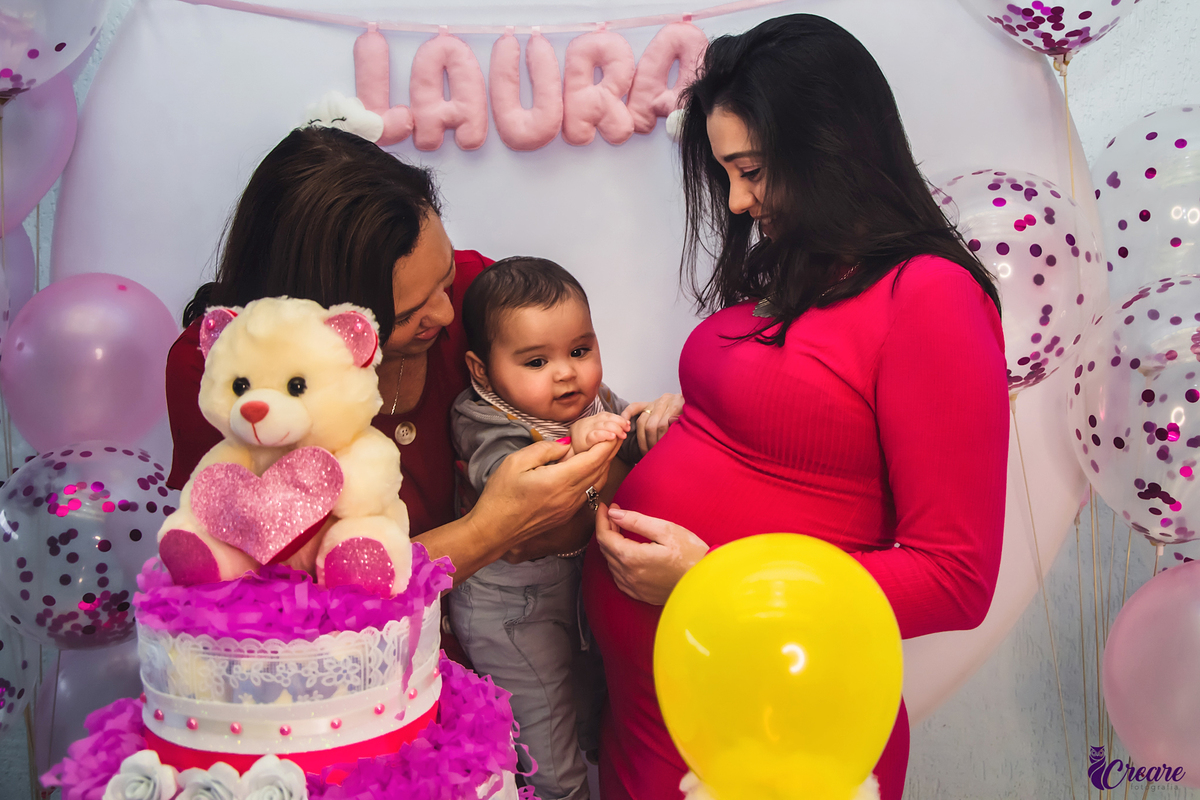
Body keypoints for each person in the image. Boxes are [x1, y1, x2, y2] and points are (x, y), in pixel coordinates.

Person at [581, 14, 1009, 800]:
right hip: (652, 720)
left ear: (832, 148)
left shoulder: (930, 296)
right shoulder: (800, 268)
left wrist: (716, 582)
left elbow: (956, 578)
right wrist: (665, 434)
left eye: (751, 171)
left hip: (775, 730)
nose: (739, 203)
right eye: (727, 174)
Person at [164, 125, 629, 584]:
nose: (447, 313)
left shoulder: (486, 303)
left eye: (444, 275)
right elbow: (277, 593)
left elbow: (607, 460)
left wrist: (585, 487)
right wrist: (487, 531)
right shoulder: (224, 371)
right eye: (407, 315)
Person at [449, 257, 680, 800]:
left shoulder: (586, 400)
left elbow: (625, 430)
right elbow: (502, 483)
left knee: (591, 712)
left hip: (571, 589)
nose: (566, 373)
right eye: (536, 360)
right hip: (509, 610)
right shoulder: (481, 416)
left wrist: (651, 425)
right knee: (546, 746)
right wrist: (575, 446)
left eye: (580, 351)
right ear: (483, 371)